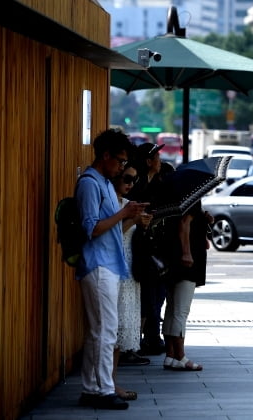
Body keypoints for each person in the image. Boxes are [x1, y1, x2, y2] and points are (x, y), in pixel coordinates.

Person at [76, 129, 148, 410]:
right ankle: (103, 389)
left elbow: (112, 226)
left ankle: (92, 387)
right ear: (105, 156)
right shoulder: (90, 184)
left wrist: (129, 215)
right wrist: (123, 213)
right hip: (97, 264)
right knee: (106, 330)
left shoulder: (105, 182)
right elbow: (91, 228)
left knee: (99, 331)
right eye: (118, 160)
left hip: (109, 264)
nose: (121, 167)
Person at [111, 162, 152, 401]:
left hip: (129, 270)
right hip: (113, 269)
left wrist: (143, 225)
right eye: (127, 178)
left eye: (134, 180)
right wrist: (134, 222)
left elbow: (133, 236)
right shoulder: (110, 203)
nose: (130, 184)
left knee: (120, 330)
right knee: (110, 330)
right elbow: (110, 236)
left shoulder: (129, 205)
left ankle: (112, 381)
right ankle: (107, 383)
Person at [162, 203, 213, 371]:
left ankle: (170, 355)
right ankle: (180, 356)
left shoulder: (178, 195)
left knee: (172, 308)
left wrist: (203, 220)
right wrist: (187, 252)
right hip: (187, 261)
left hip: (173, 256)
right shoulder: (193, 195)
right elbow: (184, 222)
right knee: (181, 311)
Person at [127, 142, 167, 355]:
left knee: (155, 292)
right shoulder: (137, 182)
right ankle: (138, 340)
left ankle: (150, 336)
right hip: (137, 241)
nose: (161, 161)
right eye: (157, 157)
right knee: (144, 293)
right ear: (148, 161)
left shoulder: (161, 180)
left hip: (155, 242)